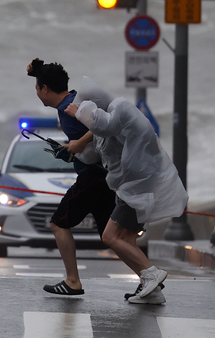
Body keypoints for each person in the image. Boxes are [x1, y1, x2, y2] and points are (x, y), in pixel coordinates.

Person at [64, 77, 189, 305]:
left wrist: (78, 111)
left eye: (85, 105)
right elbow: (97, 154)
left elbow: (103, 125)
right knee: (127, 240)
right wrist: (71, 150)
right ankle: (151, 290)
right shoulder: (106, 126)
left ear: (94, 104)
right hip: (132, 186)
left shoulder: (121, 109)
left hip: (139, 185)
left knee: (110, 237)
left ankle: (151, 273)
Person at [26, 59, 115, 296]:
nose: (36, 93)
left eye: (37, 87)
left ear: (45, 88)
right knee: (112, 237)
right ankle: (147, 277)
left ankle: (73, 281)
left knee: (58, 223)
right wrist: (70, 149)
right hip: (104, 177)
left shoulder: (68, 108)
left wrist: (78, 143)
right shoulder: (72, 100)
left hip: (93, 178)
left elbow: (100, 128)